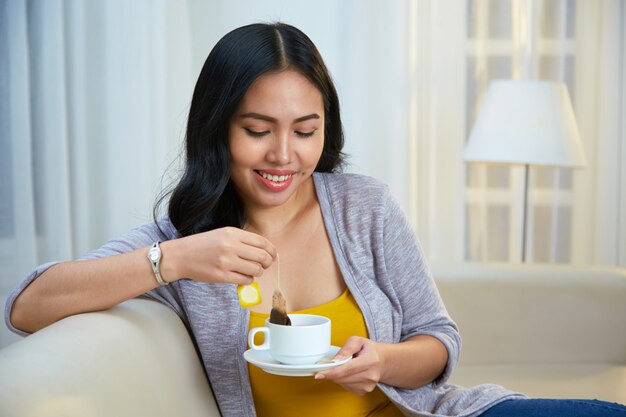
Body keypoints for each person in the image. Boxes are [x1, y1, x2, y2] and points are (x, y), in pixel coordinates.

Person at [5, 22, 626, 417]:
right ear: (217, 130)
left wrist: (381, 360)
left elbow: (439, 342)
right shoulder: (185, 237)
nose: (285, 156)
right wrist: (173, 262)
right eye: (257, 130)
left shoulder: (365, 206)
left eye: (306, 130)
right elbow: (27, 307)